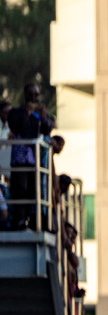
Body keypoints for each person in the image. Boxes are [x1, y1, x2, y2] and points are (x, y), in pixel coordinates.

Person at [6, 83, 53, 230]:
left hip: (34, 159)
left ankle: (33, 220)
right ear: (25, 94)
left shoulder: (37, 115)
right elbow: (16, 126)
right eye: (31, 94)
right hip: (20, 158)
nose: (34, 98)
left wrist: (43, 116)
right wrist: (27, 112)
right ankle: (18, 219)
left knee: (33, 189)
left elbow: (46, 129)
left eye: (36, 95)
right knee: (20, 188)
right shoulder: (15, 113)